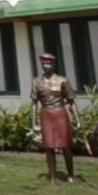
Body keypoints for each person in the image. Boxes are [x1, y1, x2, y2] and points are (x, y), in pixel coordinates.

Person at [31, 53, 81, 183]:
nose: (46, 66)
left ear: (53, 64)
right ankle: (52, 176)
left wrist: (77, 119)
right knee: (48, 146)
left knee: (66, 145)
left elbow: (71, 101)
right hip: (46, 114)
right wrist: (33, 121)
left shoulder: (62, 80)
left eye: (48, 63)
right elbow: (34, 103)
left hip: (60, 113)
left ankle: (70, 175)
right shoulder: (36, 81)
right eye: (43, 63)